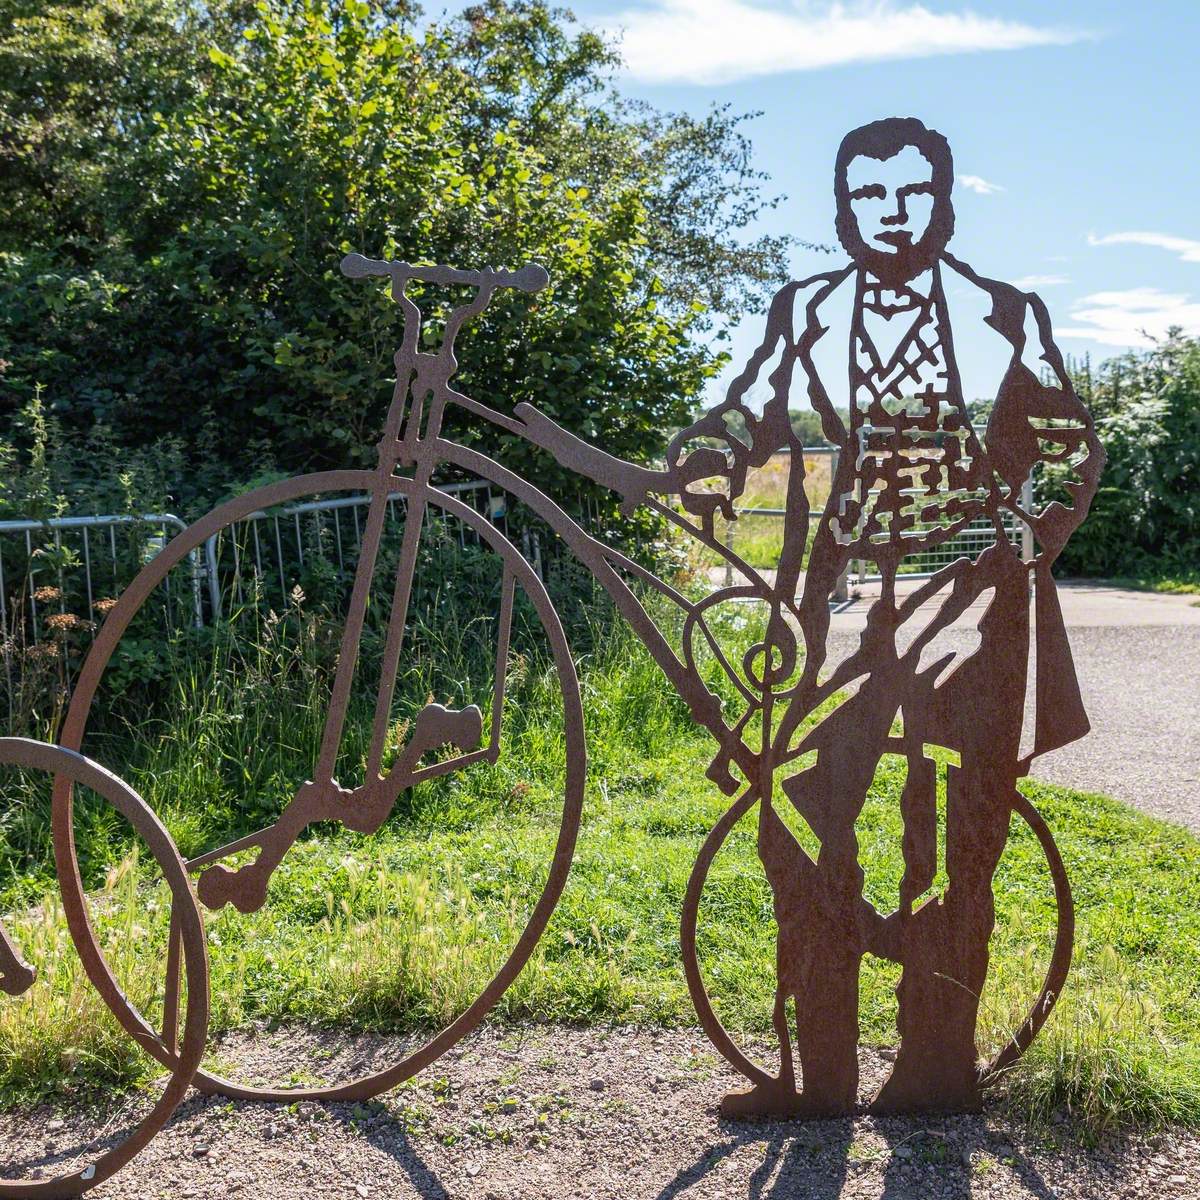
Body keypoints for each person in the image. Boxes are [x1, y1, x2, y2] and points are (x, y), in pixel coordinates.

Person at [514, 116, 1102, 1114]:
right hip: (840, 610)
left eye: (911, 195)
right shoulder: (809, 311)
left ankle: (933, 1068)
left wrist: (1041, 529)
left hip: (977, 606)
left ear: (947, 203)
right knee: (796, 824)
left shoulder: (1003, 314)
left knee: (957, 843)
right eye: (868, 198)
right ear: (842, 211)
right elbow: (747, 415)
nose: (890, 215)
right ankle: (821, 1074)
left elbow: (1072, 444)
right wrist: (699, 458)